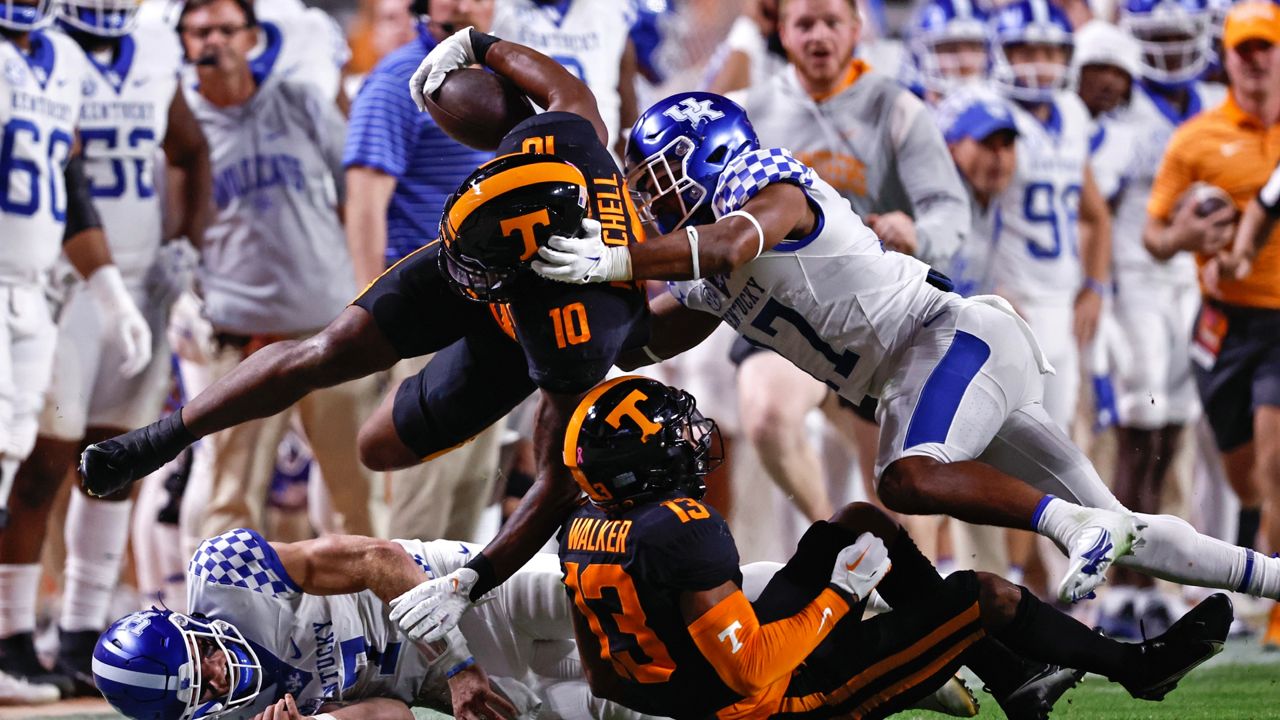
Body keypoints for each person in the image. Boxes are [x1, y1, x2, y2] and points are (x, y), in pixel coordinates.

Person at [524, 87, 1280, 614]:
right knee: (1128, 530)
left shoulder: (761, 180)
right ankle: (1270, 577)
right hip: (935, 367)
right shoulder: (703, 272)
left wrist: (618, 260)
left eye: (655, 179)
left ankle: (1070, 528)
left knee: (907, 476)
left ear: (704, 157)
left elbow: (728, 242)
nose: (646, 199)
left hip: (951, 337)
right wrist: (554, 304)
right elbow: (642, 343)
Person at [81, 31, 649, 628]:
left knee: (381, 450)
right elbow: (565, 87)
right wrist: (478, 43)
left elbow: (555, 484)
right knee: (324, 352)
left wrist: (474, 580)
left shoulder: (577, 330)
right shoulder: (559, 143)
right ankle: (159, 438)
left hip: (522, 337)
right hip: (513, 270)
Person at [556, 375, 1231, 719]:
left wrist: (688, 704)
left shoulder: (583, 529)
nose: (693, 440)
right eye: (675, 436)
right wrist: (840, 597)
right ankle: (1134, 668)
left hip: (722, 698)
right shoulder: (680, 529)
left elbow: (605, 677)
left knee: (855, 520)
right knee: (981, 596)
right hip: (777, 703)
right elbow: (752, 670)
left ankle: (1016, 678)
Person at [0, 0, 211, 695]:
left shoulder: (134, 53)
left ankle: (83, 633)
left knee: (113, 461)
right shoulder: (43, 46)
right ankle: (12, 634)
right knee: (38, 460)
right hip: (56, 284)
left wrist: (183, 244)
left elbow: (181, 151)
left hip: (125, 280)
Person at [729, 0, 973, 528]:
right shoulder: (747, 112)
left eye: (832, 22)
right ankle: (831, 539)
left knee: (907, 511)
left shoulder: (897, 108)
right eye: (805, 24)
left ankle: (903, 587)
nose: (819, 36)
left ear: (857, 29)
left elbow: (951, 210)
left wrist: (918, 231)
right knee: (768, 413)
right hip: (786, 302)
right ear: (783, 32)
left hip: (876, 309)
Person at [170, 0, 379, 550]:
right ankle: (221, 624)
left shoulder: (301, 100)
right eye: (199, 32)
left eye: (225, 28)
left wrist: (360, 290)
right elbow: (173, 227)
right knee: (227, 496)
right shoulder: (181, 126)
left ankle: (369, 619)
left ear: (253, 36)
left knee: (355, 491)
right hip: (240, 338)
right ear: (183, 44)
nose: (213, 41)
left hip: (329, 329)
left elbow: (353, 192)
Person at [93, 529, 655, 720]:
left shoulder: (230, 575)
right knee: (629, 701)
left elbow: (377, 560)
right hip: (459, 687)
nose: (221, 676)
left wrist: (457, 662)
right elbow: (393, 714)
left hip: (456, 597)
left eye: (204, 662)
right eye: (206, 691)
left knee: (637, 602)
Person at [1143, 0, 1280, 645]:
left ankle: (1277, 604)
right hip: (1223, 323)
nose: (1256, 61)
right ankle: (1259, 546)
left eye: (1267, 48)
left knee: (1276, 465)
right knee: (1245, 476)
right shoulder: (1196, 137)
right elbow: (1153, 235)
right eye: (1244, 50)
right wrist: (1188, 234)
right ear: (1226, 58)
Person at [1088, 0, 1225, 639]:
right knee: (1138, 438)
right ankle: (1123, 583)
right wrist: (1102, 295)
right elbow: (1096, 210)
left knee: (1172, 437)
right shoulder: (1120, 123)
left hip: (1193, 288)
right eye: (1158, 35)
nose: (1170, 48)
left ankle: (1155, 582)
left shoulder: (1219, 108)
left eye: (1180, 33)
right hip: (1137, 286)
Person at [343, 0, 504, 544]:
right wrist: (374, 315)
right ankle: (400, 622)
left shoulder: (499, 74)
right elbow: (364, 203)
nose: (464, 3)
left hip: (492, 301)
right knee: (424, 484)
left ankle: (455, 615)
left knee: (472, 485)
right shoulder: (395, 82)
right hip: (427, 303)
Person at [985, 0, 1112, 437]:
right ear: (1004, 53)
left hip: (1062, 301)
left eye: (1051, 52)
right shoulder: (990, 115)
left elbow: (1095, 215)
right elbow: (967, 215)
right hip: (1009, 302)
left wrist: (1094, 287)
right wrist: (987, 287)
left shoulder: (1073, 115)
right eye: (1027, 52)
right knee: (996, 449)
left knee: (1057, 448)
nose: (1040, 65)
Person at [490, 0, 640, 157]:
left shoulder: (611, 10)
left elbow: (627, 103)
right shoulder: (496, 9)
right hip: (525, 159)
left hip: (599, 160)